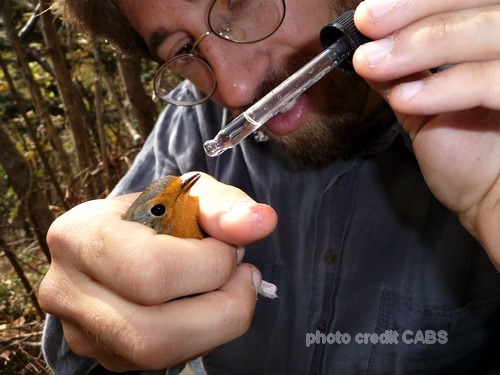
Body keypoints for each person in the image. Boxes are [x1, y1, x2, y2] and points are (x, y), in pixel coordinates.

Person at [39, 0, 500, 374]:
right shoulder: (194, 124)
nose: (237, 90)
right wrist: (100, 294)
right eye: (183, 51)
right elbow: (83, 346)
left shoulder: (483, 114)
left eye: (238, 3)